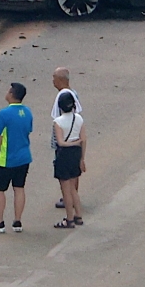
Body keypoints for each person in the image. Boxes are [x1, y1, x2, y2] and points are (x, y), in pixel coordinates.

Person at [0, 83, 34, 233]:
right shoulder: (27, 112)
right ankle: (17, 221)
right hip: (24, 156)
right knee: (19, 188)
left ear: (11, 94)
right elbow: (28, 130)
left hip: (7, 158)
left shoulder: (3, 114)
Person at [52, 91, 85, 228]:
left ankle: (69, 218)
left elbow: (60, 142)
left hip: (64, 155)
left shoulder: (58, 122)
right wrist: (82, 157)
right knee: (73, 188)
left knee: (65, 189)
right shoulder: (79, 119)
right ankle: (78, 215)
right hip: (76, 154)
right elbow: (83, 139)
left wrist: (71, 143)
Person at [51, 67, 81, 209]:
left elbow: (57, 118)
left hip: (64, 138)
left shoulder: (62, 95)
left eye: (54, 78)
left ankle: (68, 197)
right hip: (74, 137)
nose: (53, 81)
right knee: (74, 170)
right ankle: (73, 196)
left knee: (65, 173)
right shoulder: (73, 93)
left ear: (61, 79)